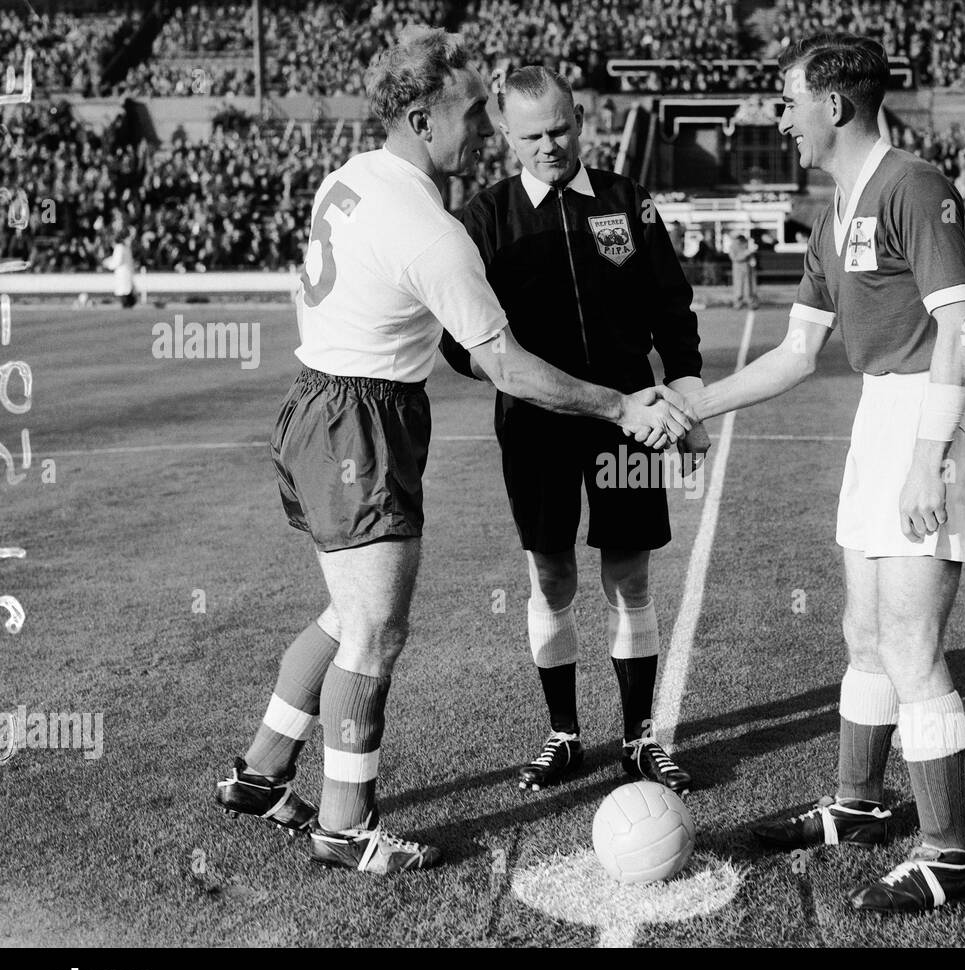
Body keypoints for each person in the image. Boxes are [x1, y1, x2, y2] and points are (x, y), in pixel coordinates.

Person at [215, 28, 694, 876]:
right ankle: (346, 827)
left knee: (342, 614)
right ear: (418, 116)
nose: (481, 130)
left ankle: (259, 774)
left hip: (317, 404)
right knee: (374, 631)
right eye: (473, 113)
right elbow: (501, 362)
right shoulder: (436, 228)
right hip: (361, 425)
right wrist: (621, 403)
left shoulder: (351, 177)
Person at [686, 33, 965, 913]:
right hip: (879, 416)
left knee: (910, 646)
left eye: (787, 102)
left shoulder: (914, 185)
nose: (779, 119)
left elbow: (963, 331)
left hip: (928, 419)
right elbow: (794, 354)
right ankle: (860, 804)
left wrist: (926, 463)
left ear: (833, 104)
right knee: (865, 636)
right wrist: (693, 409)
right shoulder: (834, 212)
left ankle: (951, 854)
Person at [439, 66, 706, 795]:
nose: (548, 146)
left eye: (559, 129)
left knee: (629, 573)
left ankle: (641, 738)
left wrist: (686, 398)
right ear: (503, 133)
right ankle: (563, 736)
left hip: (632, 425)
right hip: (534, 429)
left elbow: (673, 307)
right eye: (531, 136)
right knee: (550, 573)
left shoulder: (627, 200)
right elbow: (456, 342)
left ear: (581, 118)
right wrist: (511, 379)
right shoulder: (483, 219)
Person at [103, 231, 136, 307]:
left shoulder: (122, 247)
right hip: (124, 273)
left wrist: (108, 264)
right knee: (125, 291)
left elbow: (118, 261)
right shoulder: (122, 247)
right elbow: (117, 260)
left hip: (124, 273)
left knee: (125, 292)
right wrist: (109, 262)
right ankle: (127, 305)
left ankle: (127, 305)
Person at [727, 231, 758, 309]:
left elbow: (750, 255)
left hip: (747, 268)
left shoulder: (745, 244)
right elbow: (734, 257)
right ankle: (738, 303)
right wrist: (746, 253)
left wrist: (752, 259)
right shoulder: (733, 246)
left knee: (749, 286)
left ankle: (751, 302)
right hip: (738, 268)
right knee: (738, 286)